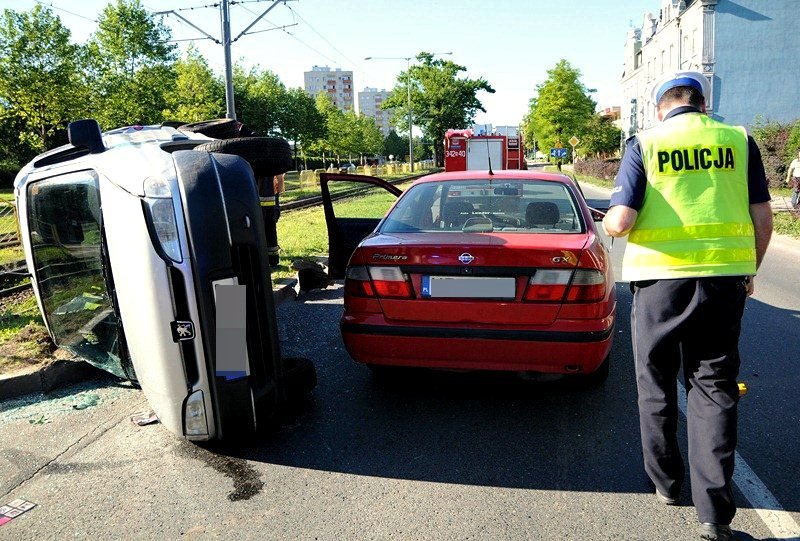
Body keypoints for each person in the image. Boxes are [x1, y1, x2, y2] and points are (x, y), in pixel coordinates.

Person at [602, 71, 773, 541]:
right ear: (701, 103)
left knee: (655, 382)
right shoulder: (738, 140)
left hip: (659, 283)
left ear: (661, 107)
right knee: (713, 385)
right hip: (723, 280)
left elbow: (621, 219)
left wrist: (612, 223)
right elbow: (763, 214)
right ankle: (714, 513)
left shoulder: (646, 143)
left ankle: (666, 482)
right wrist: (749, 270)